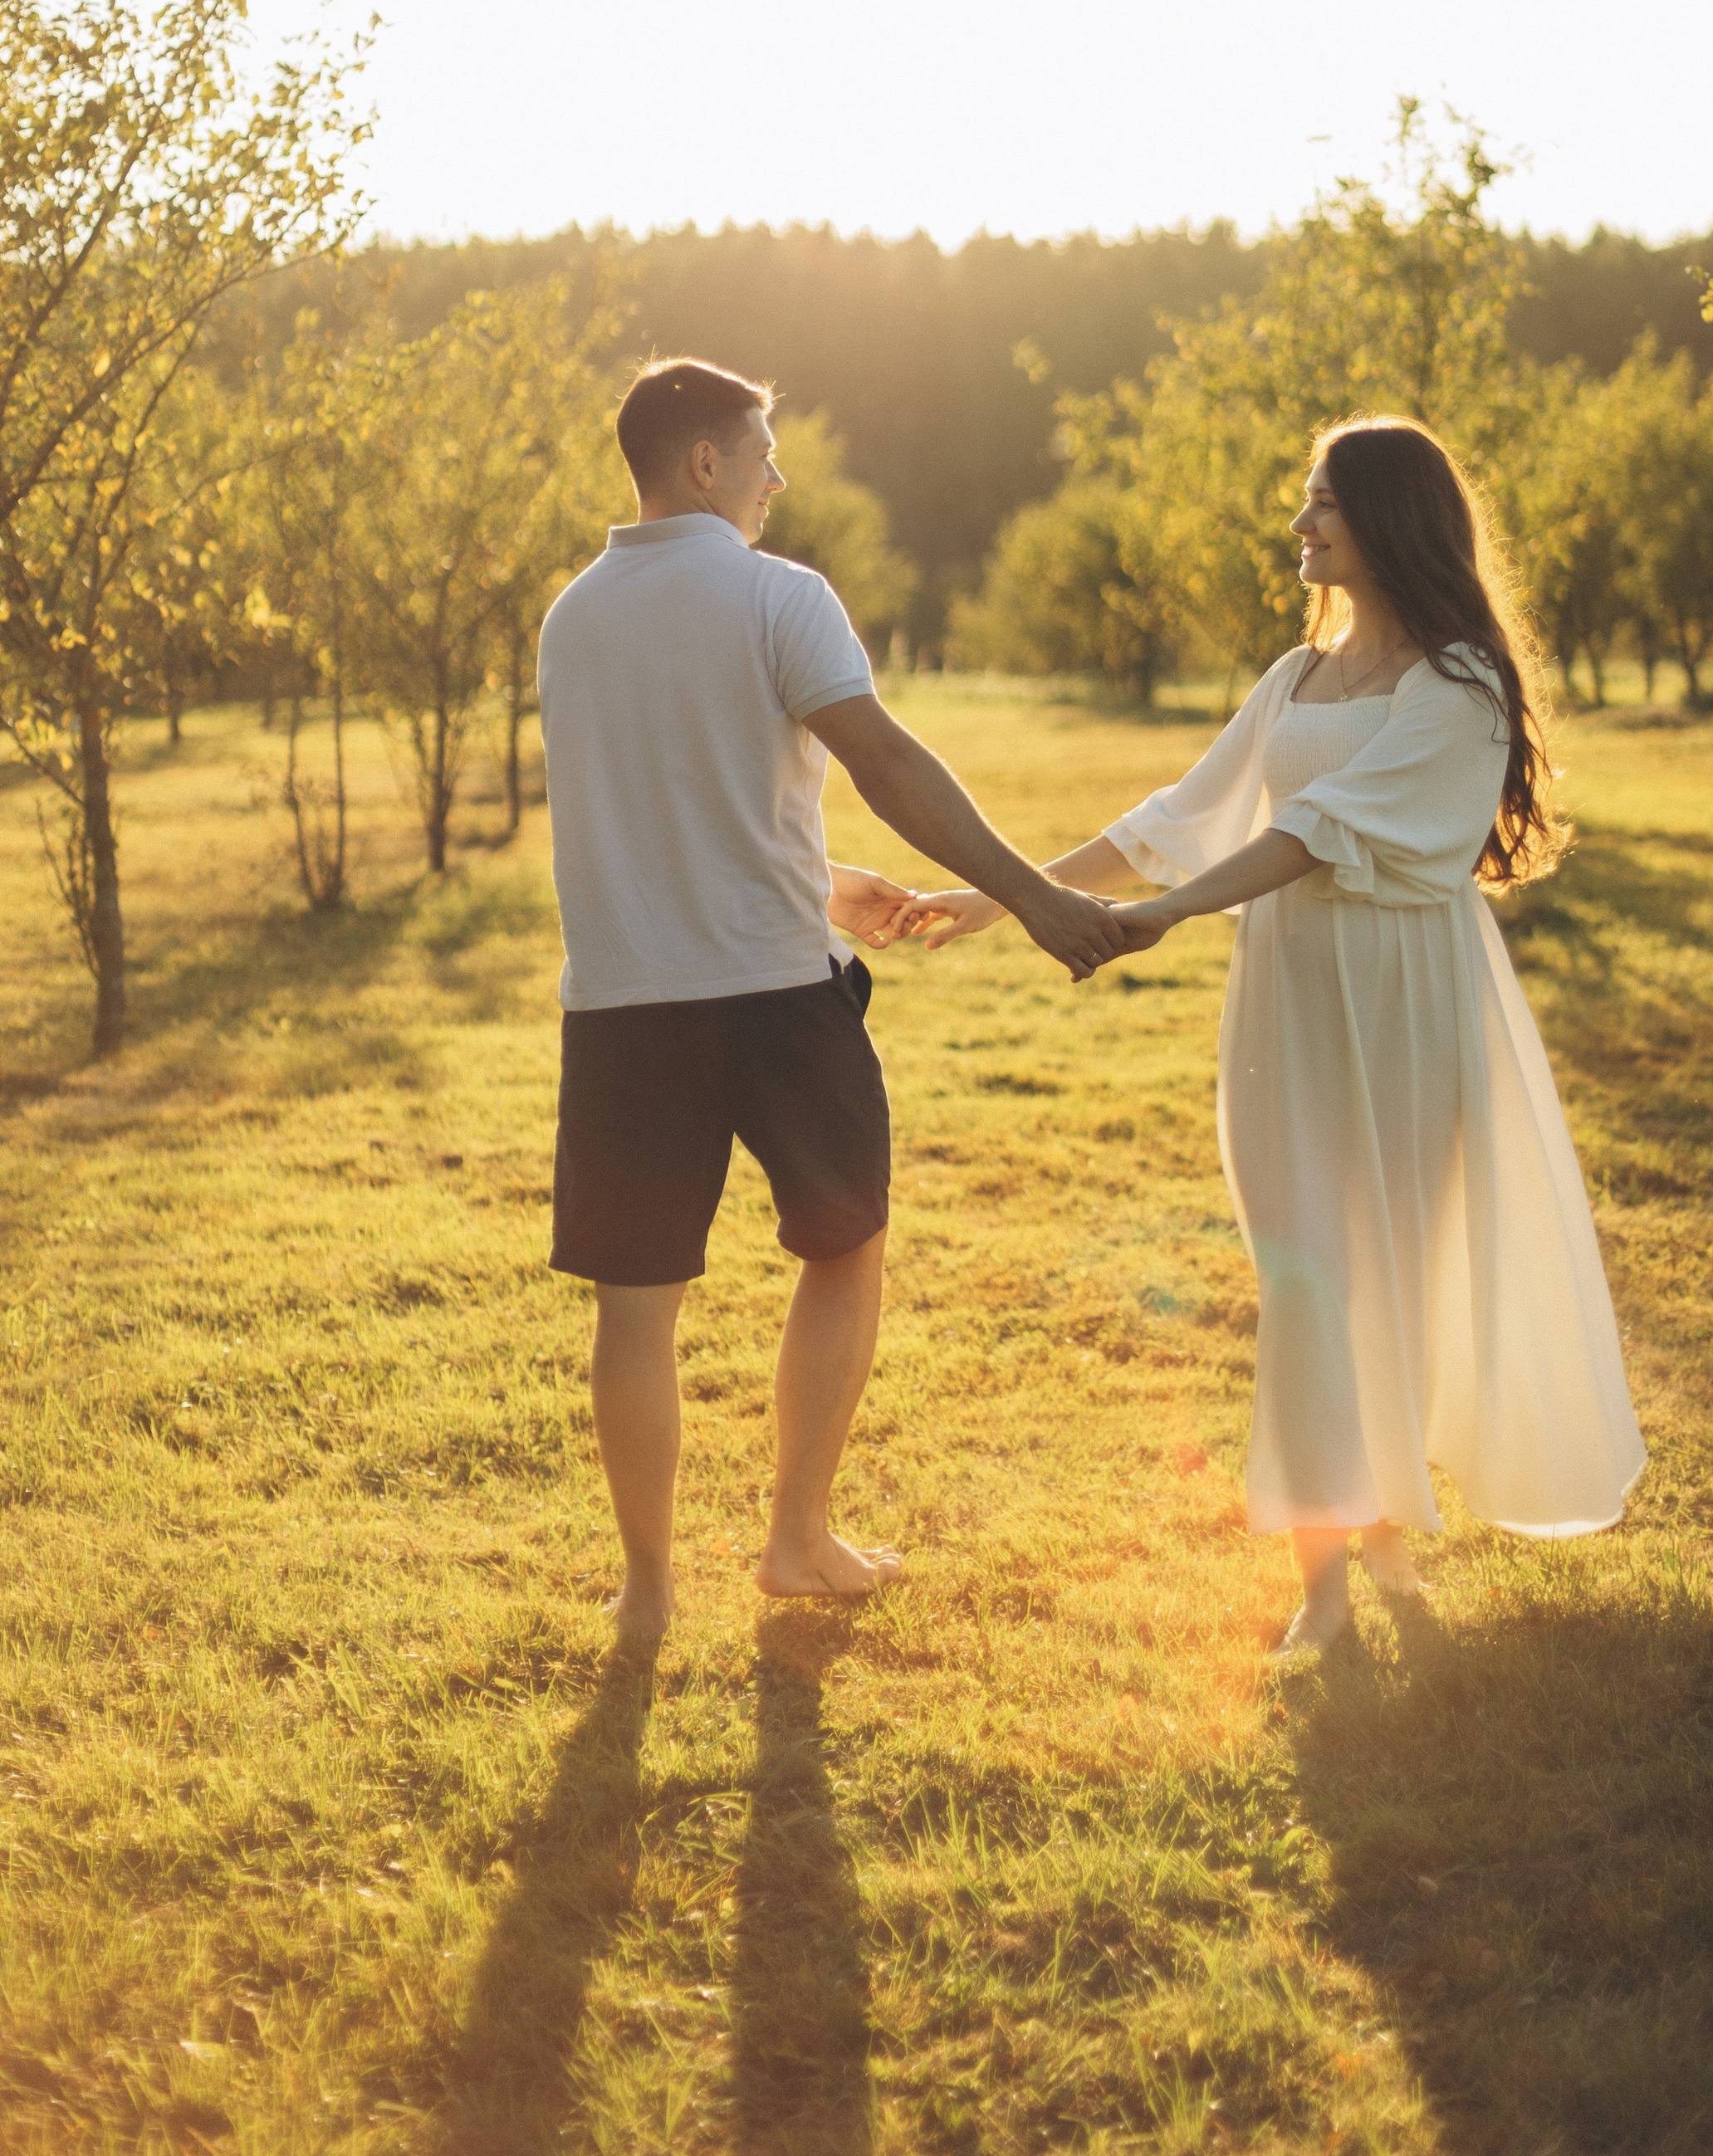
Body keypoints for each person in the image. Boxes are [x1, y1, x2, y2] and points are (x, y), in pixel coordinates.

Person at [916, 415, 1646, 1650]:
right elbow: (1180, 815)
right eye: (1306, 501)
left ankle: (1389, 1549)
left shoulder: (1460, 684)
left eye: (1324, 503)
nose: (1301, 523)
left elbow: (1322, 830)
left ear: (1388, 520)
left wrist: (1161, 919)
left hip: (1407, 996)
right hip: (1290, 995)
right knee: (1304, 1273)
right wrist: (998, 897)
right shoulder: (1293, 675)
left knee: (1387, 1267)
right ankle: (1324, 1583)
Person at [536, 356, 1124, 1644]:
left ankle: (646, 1589)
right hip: (773, 1005)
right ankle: (796, 1540)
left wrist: (828, 885)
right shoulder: (777, 595)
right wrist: (1029, 892)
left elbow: (664, 812)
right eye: (763, 451)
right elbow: (889, 763)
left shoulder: (571, 617)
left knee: (636, 1303)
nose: (777, 477)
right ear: (705, 462)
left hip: (624, 1009)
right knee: (844, 1248)